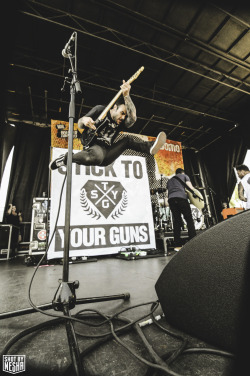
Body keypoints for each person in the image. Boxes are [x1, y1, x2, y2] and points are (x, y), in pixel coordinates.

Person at [49, 80, 166, 170]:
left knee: (127, 140)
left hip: (108, 153)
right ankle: (64, 159)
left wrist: (126, 96)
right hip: (93, 147)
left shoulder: (121, 122)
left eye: (124, 115)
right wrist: (84, 120)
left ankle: (150, 147)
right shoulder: (100, 110)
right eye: (122, 113)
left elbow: (133, 118)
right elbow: (80, 124)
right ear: (114, 107)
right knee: (98, 155)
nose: (123, 117)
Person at [166, 168, 197, 251]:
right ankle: (193, 241)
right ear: (182, 172)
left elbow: (168, 193)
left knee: (177, 221)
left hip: (171, 200)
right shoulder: (184, 176)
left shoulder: (169, 180)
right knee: (189, 219)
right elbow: (191, 188)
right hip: (181, 198)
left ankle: (177, 244)